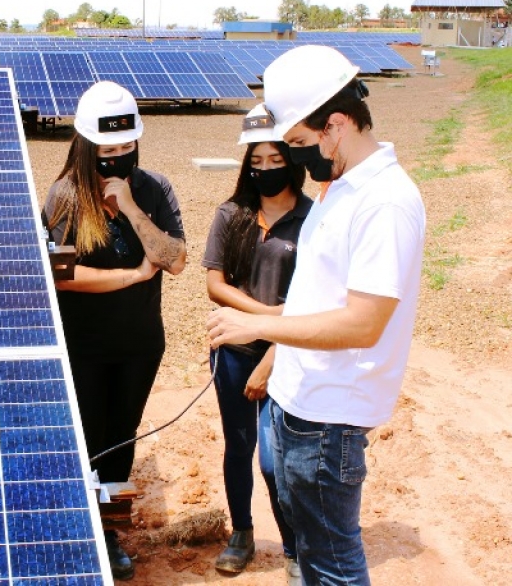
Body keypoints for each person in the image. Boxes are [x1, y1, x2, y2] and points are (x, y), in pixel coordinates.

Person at [206, 45, 426, 586]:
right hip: (299, 401)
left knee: (333, 562)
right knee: (309, 548)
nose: (296, 160)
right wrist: (276, 361)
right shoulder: (342, 189)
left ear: (337, 124)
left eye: (299, 145)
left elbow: (362, 323)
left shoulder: (385, 202)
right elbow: (315, 297)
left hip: (330, 419)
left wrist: (259, 326)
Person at [43, 81, 187, 580]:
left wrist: (128, 206)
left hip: (139, 345)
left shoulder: (154, 188)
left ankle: (109, 532)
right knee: (84, 437)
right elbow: (61, 278)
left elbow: (175, 261)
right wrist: (130, 276)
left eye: (127, 148)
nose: (119, 159)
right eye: (108, 152)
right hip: (82, 346)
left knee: (121, 439)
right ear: (86, 148)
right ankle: (79, 526)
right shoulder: (64, 197)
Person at [202, 104, 310, 585]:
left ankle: (292, 545)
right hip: (232, 352)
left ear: (293, 158)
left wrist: (272, 336)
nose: (265, 168)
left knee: (274, 458)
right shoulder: (232, 214)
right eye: (256, 160)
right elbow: (215, 283)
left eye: (275, 158)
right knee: (238, 446)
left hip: (286, 353)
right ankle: (241, 534)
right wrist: (266, 317)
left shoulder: (313, 218)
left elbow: (316, 302)